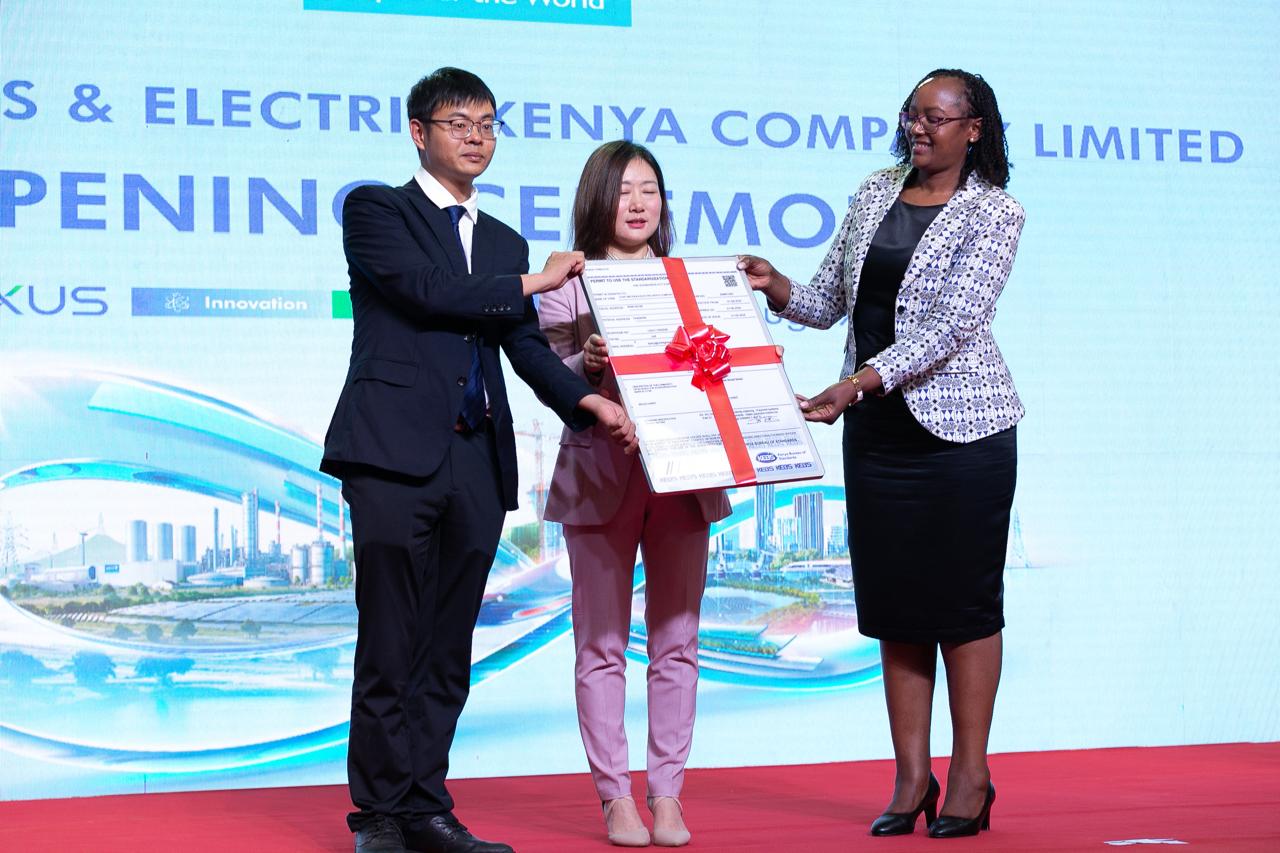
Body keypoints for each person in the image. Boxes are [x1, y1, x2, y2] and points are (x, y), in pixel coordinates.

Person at [320, 68, 638, 853]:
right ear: (418, 132)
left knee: (448, 646)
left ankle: (426, 806)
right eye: (458, 121)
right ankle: (378, 814)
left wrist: (588, 401)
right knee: (390, 638)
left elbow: (523, 345)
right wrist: (534, 280)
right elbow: (427, 290)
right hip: (390, 452)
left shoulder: (502, 240)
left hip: (476, 457)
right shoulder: (376, 209)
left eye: (488, 123)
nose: (476, 136)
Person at [740, 69, 1024, 839]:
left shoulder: (995, 212)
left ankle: (971, 774)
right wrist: (775, 286)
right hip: (878, 436)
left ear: (975, 129)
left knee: (963, 607)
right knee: (897, 607)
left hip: (963, 433)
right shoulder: (875, 191)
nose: (918, 128)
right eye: (911, 115)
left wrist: (858, 383)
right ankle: (910, 776)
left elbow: (952, 326)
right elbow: (831, 299)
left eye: (936, 117)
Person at [538, 140, 731, 848]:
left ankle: (668, 792)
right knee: (601, 645)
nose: (639, 202)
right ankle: (615, 796)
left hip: (684, 475)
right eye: (623, 190)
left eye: (650, 188)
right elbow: (544, 373)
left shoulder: (694, 283)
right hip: (598, 475)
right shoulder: (566, 280)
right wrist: (583, 363)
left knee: (678, 640)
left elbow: (724, 371)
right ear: (598, 198)